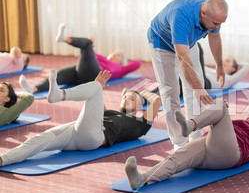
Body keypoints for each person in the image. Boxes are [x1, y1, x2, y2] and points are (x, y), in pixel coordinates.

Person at [0, 69, 161, 167]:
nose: (126, 98)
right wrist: (99, 88)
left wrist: (139, 94)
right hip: (75, 130)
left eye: (132, 99)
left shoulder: (141, 123)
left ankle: (60, 95)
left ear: (140, 107)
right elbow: (95, 109)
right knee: (36, 140)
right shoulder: (112, 112)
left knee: (96, 87)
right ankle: (3, 160)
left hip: (96, 137)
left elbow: (157, 100)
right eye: (125, 97)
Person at [124, 98, 249, 189]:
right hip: (208, 149)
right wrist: (219, 114)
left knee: (219, 104)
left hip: (231, 155)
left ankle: (190, 125)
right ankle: (142, 179)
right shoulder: (237, 123)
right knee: (175, 159)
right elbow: (216, 132)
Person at [148, 0, 228, 151]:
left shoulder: (213, 12)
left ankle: (196, 137)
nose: (218, 27)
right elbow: (182, 58)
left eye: (221, 23)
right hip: (162, 44)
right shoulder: (180, 16)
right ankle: (179, 142)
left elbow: (215, 36)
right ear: (203, 13)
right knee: (170, 92)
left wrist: (219, 65)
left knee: (196, 91)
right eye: (215, 23)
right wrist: (197, 86)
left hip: (187, 43)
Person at [19, 23, 141, 94]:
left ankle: (65, 39)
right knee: (58, 75)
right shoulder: (100, 57)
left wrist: (89, 45)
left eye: (119, 56)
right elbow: (89, 54)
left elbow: (138, 63)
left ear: (122, 61)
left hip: (96, 74)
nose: (115, 55)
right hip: (81, 73)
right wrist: (90, 46)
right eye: (114, 53)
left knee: (87, 43)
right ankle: (33, 89)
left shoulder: (121, 69)